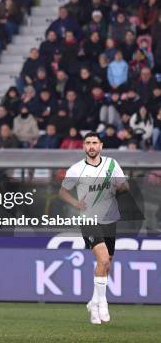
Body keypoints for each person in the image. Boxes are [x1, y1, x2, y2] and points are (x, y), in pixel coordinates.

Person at [59, 132, 129, 325]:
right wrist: (76, 203)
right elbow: (63, 191)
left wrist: (118, 187)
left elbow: (125, 186)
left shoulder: (112, 164)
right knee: (103, 259)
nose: (91, 146)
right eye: (88, 143)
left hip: (109, 219)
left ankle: (93, 301)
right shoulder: (76, 169)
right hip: (89, 220)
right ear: (84, 147)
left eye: (94, 143)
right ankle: (103, 303)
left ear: (101, 146)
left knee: (106, 264)